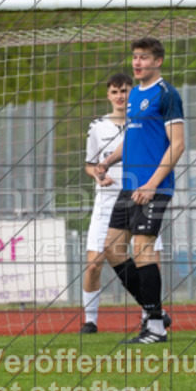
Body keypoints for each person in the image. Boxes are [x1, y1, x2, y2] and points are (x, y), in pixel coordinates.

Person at [94, 37, 185, 344]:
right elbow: (132, 139)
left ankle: (156, 326)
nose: (137, 63)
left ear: (158, 61)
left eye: (144, 58)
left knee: (143, 250)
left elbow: (179, 144)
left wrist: (152, 184)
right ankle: (154, 311)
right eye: (134, 57)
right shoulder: (133, 95)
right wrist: (107, 160)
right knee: (112, 249)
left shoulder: (167, 94)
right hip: (130, 185)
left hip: (153, 186)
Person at [80, 73, 132, 333]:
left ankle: (152, 316)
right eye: (114, 92)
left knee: (148, 261)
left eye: (124, 91)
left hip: (139, 199)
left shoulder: (144, 124)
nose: (120, 96)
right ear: (108, 95)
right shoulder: (97, 127)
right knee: (93, 263)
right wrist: (97, 174)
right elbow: (89, 166)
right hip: (107, 202)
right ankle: (90, 320)